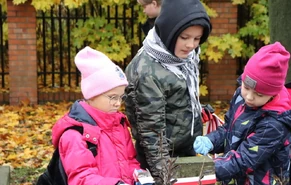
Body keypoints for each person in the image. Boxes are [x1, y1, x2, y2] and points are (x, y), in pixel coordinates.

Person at [193, 42, 291, 185]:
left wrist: (207, 169)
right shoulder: (240, 98)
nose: (249, 97)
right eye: (246, 87)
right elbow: (229, 129)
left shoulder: (274, 124)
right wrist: (211, 141)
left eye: (259, 95)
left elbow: (245, 159)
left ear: (273, 94)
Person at [124, 0, 212, 184]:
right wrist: (165, 178)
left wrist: (195, 110)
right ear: (169, 31)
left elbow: (176, 97)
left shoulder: (182, 59)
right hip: (161, 162)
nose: (191, 45)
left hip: (184, 150)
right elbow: (152, 134)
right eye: (185, 37)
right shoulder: (147, 71)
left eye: (197, 39)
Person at [51, 46, 141, 185]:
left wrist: (139, 176)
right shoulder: (75, 134)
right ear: (92, 95)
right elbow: (81, 178)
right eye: (112, 97)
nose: (118, 103)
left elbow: (130, 160)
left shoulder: (119, 124)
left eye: (121, 97)